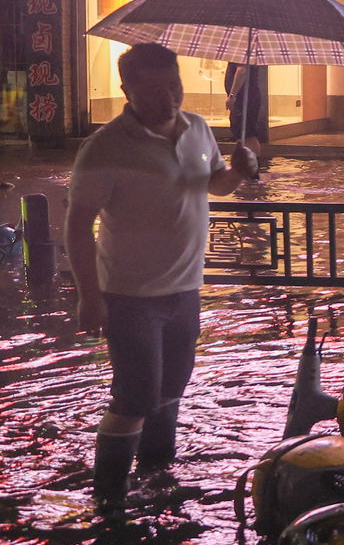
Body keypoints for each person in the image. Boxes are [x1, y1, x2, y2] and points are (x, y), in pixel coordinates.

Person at [66, 43, 257, 507]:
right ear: (125, 89)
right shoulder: (104, 147)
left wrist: (239, 171)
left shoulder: (197, 128)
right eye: (151, 90)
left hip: (187, 289)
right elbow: (76, 225)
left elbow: (214, 184)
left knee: (172, 388)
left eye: (173, 85)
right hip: (130, 294)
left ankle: (157, 476)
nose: (168, 97)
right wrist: (90, 297)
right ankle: (108, 496)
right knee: (134, 397)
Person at [224, 62, 268, 159]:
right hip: (245, 98)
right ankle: (247, 165)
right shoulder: (243, 51)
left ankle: (252, 166)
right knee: (244, 133)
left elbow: (242, 70)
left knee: (247, 134)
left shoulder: (242, 51)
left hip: (244, 99)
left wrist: (232, 96)